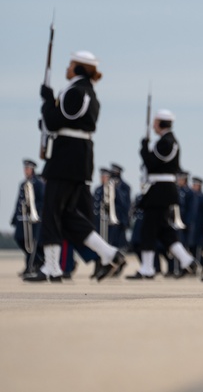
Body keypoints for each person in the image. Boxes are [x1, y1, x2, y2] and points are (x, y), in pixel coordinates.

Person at [27, 51, 126, 282]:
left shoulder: (75, 91)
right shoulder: (88, 92)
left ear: (79, 69)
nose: (67, 68)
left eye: (71, 65)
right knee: (69, 215)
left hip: (66, 157)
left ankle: (52, 268)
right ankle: (109, 253)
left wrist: (48, 102)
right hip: (78, 158)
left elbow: (54, 121)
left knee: (51, 211)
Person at [129, 110, 197, 280]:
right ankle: (188, 261)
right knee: (164, 232)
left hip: (161, 190)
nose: (153, 125)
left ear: (160, 123)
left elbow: (152, 163)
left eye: (155, 122)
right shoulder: (167, 141)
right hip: (161, 189)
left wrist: (144, 148)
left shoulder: (166, 142)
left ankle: (147, 268)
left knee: (149, 229)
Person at [11, 159, 44, 276]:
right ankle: (36, 261)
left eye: (28, 169)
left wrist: (33, 210)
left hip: (32, 219)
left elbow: (41, 200)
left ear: (32, 169)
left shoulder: (38, 183)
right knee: (20, 239)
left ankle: (31, 265)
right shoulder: (23, 184)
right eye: (25, 169)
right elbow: (19, 201)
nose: (26, 171)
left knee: (32, 243)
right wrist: (15, 217)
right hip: (23, 218)